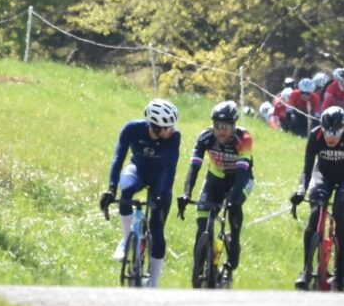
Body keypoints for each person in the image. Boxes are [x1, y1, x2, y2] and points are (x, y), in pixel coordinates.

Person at [101, 99, 182, 288]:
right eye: (167, 127)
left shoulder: (174, 137)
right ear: (155, 127)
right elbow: (118, 158)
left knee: (156, 227)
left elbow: (170, 168)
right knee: (126, 189)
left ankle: (154, 282)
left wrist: (162, 195)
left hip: (160, 179)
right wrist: (111, 189)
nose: (171, 130)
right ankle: (126, 239)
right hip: (138, 171)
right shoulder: (132, 129)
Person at [292, 106, 344, 291]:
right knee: (315, 214)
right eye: (327, 131)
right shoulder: (315, 135)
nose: (330, 136)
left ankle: (341, 266)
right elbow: (307, 169)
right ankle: (306, 269)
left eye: (336, 132)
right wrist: (301, 190)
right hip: (323, 175)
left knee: (340, 214)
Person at [178, 101, 254, 275]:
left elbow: (242, 171)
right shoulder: (205, 137)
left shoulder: (244, 138)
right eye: (217, 126)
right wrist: (186, 193)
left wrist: (234, 199)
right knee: (202, 222)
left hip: (240, 180)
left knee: (234, 208)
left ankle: (234, 242)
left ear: (234, 126)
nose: (221, 131)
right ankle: (200, 267)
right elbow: (194, 167)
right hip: (215, 180)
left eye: (225, 126)